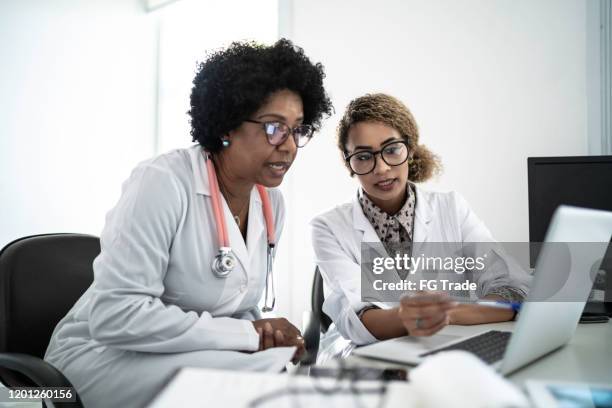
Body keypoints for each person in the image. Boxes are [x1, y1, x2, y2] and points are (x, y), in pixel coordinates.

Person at [44, 39, 333, 407]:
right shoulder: (162, 182)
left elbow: (234, 304)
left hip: (181, 355)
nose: (289, 145)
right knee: (255, 382)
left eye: (297, 130)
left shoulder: (269, 202)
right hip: (99, 358)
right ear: (227, 126)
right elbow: (116, 317)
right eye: (274, 128)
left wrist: (265, 332)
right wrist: (247, 334)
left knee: (276, 370)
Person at [310, 93, 531, 348]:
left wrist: (446, 314)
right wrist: (435, 315)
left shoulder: (451, 208)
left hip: (446, 348)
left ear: (410, 148)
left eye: (391, 150)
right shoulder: (327, 227)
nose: (381, 168)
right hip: (365, 355)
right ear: (348, 163)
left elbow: (510, 287)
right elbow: (357, 320)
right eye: (363, 156)